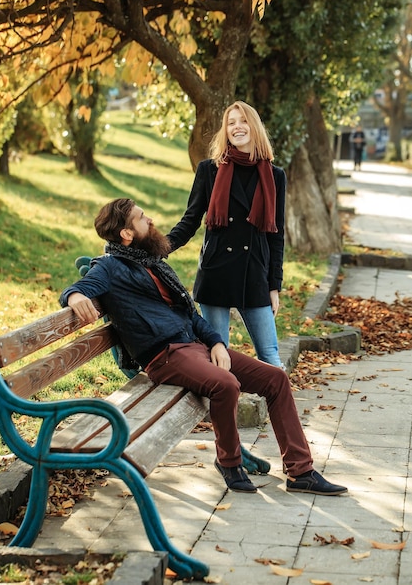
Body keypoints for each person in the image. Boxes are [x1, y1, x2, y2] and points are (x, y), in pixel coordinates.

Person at [59, 197, 347, 496]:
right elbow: (81, 288)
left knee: (275, 379)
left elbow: (191, 316)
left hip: (194, 346)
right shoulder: (110, 267)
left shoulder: (152, 264)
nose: (151, 221)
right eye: (142, 218)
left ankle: (301, 471)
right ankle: (230, 462)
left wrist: (217, 342)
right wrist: (75, 297)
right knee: (226, 384)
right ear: (126, 234)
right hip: (165, 356)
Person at [166, 101, 285, 368]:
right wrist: (159, 246)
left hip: (254, 273)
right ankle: (224, 410)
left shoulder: (275, 175)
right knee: (218, 358)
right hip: (216, 272)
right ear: (225, 129)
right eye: (231, 122)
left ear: (253, 127)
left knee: (270, 355)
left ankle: (282, 409)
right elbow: (190, 220)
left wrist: (274, 285)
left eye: (242, 121)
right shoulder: (209, 170)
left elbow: (277, 236)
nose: (237, 127)